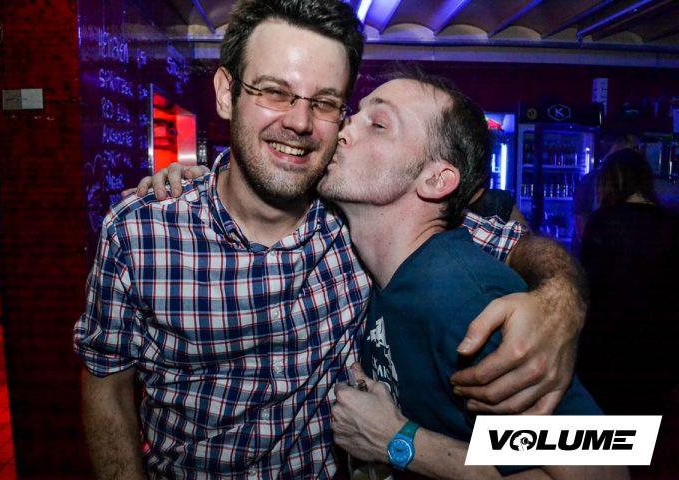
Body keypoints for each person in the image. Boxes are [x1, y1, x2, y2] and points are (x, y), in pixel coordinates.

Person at [75, 1, 586, 478]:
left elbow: (599, 454)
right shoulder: (140, 232)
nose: (300, 122)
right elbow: (107, 386)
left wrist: (560, 301)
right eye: (274, 92)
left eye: (325, 103)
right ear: (227, 93)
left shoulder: (369, 225)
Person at [326, 74, 626, 479]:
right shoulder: (391, 272)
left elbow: (604, 468)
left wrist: (400, 441)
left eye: (378, 124)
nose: (342, 130)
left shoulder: (463, 298)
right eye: (354, 115)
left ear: (436, 180)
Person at [578, 148, 679, 415]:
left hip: (607, 344)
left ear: (609, 182)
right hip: (658, 344)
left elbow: (587, 284)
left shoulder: (603, 221)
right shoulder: (671, 223)